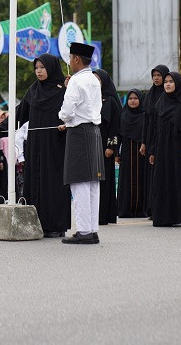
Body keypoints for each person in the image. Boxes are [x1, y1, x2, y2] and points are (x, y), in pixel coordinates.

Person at [0, 54, 70, 236]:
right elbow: (20, 114)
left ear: (51, 68)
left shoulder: (64, 91)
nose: (39, 71)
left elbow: (73, 115)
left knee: (53, 182)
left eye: (42, 67)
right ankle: (36, 223)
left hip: (55, 145)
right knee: (36, 180)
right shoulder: (33, 91)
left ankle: (55, 225)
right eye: (36, 68)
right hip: (35, 146)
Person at [59, 42, 103, 245]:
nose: (69, 62)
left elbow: (67, 110)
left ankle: (84, 230)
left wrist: (63, 118)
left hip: (78, 132)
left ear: (76, 59)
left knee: (79, 183)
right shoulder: (94, 80)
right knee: (93, 183)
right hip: (94, 131)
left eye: (70, 58)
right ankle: (92, 229)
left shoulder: (76, 82)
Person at [148, 72, 181, 227]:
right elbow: (155, 129)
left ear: (178, 84)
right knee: (161, 180)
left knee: (176, 180)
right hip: (161, 148)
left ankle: (176, 216)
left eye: (171, 82)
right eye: (166, 82)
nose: (167, 84)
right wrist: (153, 151)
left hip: (177, 148)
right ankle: (161, 216)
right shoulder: (160, 104)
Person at [141, 64, 170, 219]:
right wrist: (144, 142)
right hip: (151, 137)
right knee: (151, 174)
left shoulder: (168, 95)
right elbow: (146, 120)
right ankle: (151, 207)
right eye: (154, 76)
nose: (157, 78)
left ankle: (161, 206)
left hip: (163, 138)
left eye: (159, 75)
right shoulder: (150, 95)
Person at [94, 68, 120, 226]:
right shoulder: (90, 97)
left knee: (105, 181)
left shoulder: (110, 100)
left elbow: (115, 126)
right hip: (92, 144)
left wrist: (111, 146)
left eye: (98, 78)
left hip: (105, 146)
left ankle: (104, 215)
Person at [118, 89, 146, 217]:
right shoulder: (123, 115)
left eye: (135, 98)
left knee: (142, 178)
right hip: (127, 152)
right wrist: (116, 153)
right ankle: (126, 209)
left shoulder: (144, 115)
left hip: (141, 152)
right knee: (127, 179)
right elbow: (118, 134)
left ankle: (141, 209)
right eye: (130, 98)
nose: (133, 101)